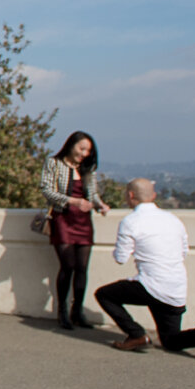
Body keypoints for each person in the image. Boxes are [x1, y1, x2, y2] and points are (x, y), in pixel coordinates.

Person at [94, 179, 195, 362]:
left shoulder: (130, 221)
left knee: (104, 295)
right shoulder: (173, 219)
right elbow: (184, 251)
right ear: (153, 196)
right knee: (170, 341)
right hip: (176, 287)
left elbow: (120, 259)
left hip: (150, 285)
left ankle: (136, 335)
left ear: (130, 196)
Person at [40, 131, 109, 330]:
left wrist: (100, 205)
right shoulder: (53, 163)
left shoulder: (87, 169)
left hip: (83, 220)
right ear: (71, 145)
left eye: (88, 151)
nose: (84, 154)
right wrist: (73, 201)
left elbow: (92, 193)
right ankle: (62, 311)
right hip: (63, 217)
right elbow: (46, 189)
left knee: (81, 267)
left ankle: (77, 310)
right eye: (82, 149)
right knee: (67, 265)